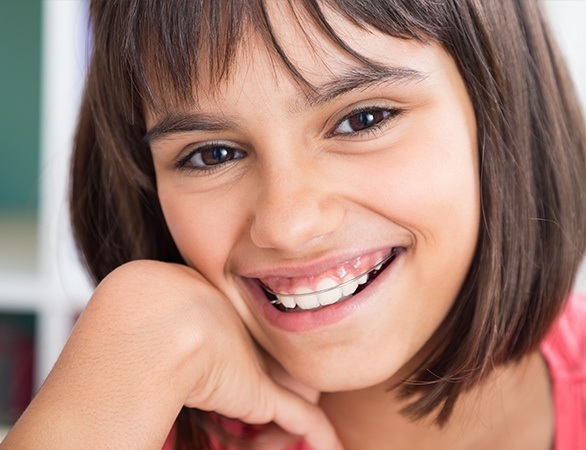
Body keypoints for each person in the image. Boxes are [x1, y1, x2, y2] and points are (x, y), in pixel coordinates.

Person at [3, 0, 585, 449]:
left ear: (502, 109)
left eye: (364, 119)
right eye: (212, 155)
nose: (288, 225)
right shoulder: (121, 424)